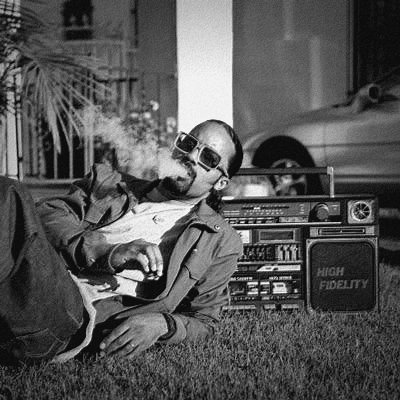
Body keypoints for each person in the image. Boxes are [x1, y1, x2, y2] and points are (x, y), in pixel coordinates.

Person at [0, 119, 244, 363]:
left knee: (8, 192)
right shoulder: (110, 183)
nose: (190, 156)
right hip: (32, 275)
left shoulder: (218, 240)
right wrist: (107, 251)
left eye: (208, 158)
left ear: (221, 182)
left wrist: (163, 324)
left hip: (67, 315)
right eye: (189, 144)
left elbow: (205, 320)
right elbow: (45, 216)